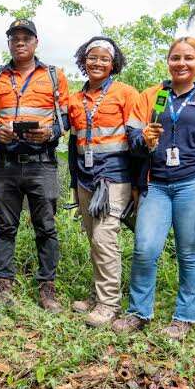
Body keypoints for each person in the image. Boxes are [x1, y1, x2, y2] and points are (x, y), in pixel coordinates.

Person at [114, 37, 195, 339]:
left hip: (192, 183)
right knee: (144, 249)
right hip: (156, 184)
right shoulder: (153, 96)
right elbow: (132, 138)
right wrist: (145, 141)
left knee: (189, 253)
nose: (181, 63)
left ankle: (186, 316)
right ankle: (139, 311)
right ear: (168, 61)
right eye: (175, 57)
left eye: (188, 58)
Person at [0, 19, 69, 312]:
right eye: (14, 38)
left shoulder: (55, 76)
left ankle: (48, 290)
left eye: (25, 38)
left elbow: (65, 120)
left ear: (36, 42)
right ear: (8, 43)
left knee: (46, 227)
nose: (20, 42)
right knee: (5, 227)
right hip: (6, 164)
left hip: (41, 163)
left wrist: (49, 133)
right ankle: (3, 286)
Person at [66, 37, 140, 327]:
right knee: (93, 239)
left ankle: (109, 304)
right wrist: (73, 181)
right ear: (83, 61)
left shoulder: (126, 93)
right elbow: (74, 145)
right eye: (91, 57)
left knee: (104, 238)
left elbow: (137, 141)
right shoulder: (76, 99)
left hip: (115, 178)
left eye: (103, 59)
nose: (97, 63)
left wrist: (137, 185)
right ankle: (100, 295)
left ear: (113, 63)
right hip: (85, 178)